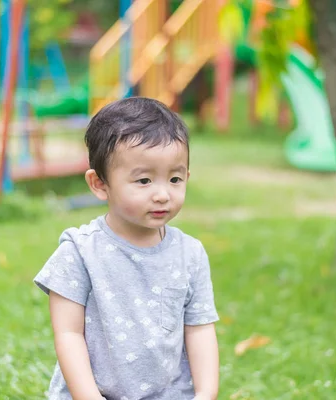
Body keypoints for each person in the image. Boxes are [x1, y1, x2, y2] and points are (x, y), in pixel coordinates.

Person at [33, 97, 220, 400]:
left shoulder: (191, 254)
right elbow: (68, 334)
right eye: (144, 180)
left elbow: (199, 328)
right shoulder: (80, 252)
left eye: (175, 178)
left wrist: (205, 393)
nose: (162, 194)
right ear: (99, 184)